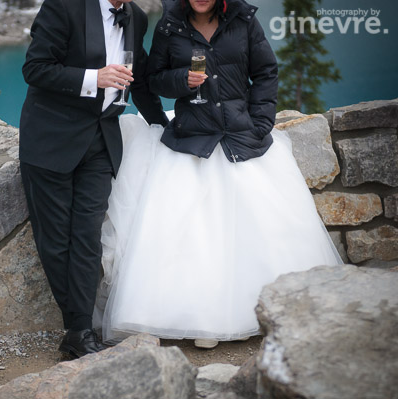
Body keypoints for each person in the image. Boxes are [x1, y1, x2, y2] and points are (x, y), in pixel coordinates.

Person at [95, 0, 343, 347]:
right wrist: (182, 80)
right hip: (191, 138)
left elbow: (267, 73)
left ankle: (272, 312)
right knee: (193, 235)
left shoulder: (244, 21)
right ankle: (201, 323)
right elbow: (153, 81)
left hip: (242, 137)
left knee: (262, 228)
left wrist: (260, 124)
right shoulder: (169, 25)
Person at [19, 0, 168, 358]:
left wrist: (165, 125)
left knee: (88, 236)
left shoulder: (136, 17)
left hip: (101, 141)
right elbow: (35, 68)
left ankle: (80, 330)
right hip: (51, 140)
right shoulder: (63, 6)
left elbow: (141, 80)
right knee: (56, 240)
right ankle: (78, 329)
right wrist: (94, 78)